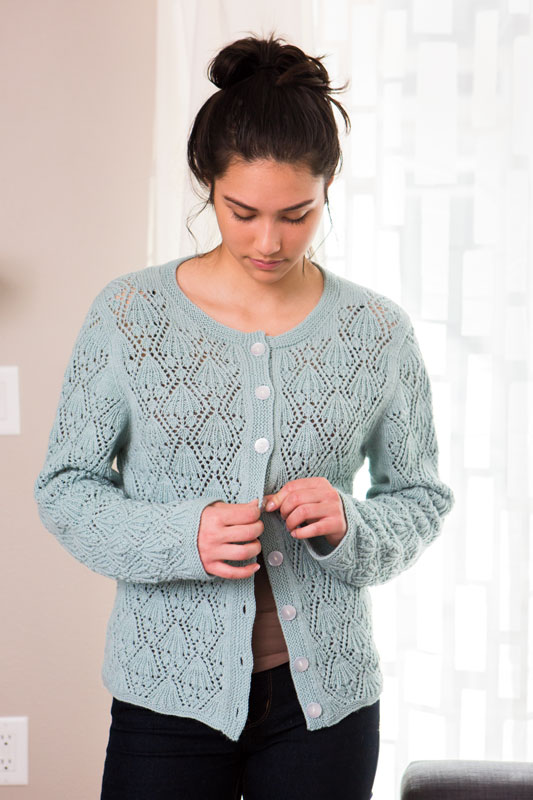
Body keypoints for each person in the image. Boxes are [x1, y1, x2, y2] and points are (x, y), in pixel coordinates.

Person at [33, 31, 455, 800]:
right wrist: (180, 534)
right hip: (166, 696)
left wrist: (349, 524)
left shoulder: (376, 332)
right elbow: (65, 488)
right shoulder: (128, 315)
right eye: (242, 211)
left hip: (326, 705)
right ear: (208, 181)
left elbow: (420, 497)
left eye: (297, 214)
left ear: (328, 187)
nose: (269, 241)